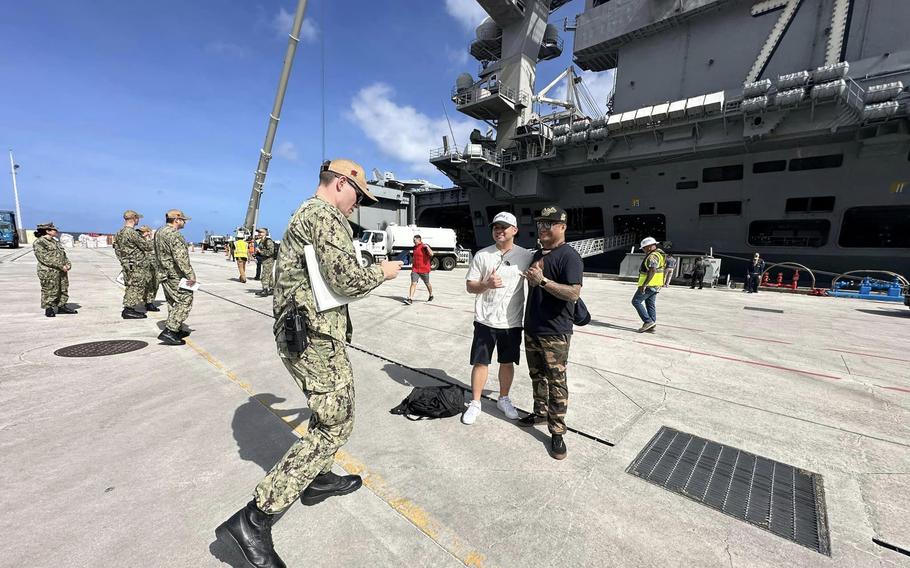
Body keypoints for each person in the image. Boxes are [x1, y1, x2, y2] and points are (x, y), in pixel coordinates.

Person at [216, 159, 403, 566]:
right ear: (340, 184)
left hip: (303, 333)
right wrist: (383, 272)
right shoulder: (326, 215)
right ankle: (254, 519)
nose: (359, 204)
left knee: (325, 415)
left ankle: (317, 480)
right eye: (358, 194)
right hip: (314, 338)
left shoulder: (304, 211)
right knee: (336, 423)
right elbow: (347, 280)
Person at [518, 206, 583, 461]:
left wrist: (543, 281)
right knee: (537, 376)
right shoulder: (536, 254)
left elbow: (573, 293)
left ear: (563, 227)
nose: (543, 228)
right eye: (540, 224)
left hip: (555, 331)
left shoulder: (570, 256)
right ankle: (540, 412)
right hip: (532, 326)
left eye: (550, 224)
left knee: (556, 381)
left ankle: (557, 431)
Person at [462, 212, 534, 425]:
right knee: (480, 362)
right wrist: (486, 284)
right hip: (485, 320)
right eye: (496, 227)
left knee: (507, 361)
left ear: (515, 230)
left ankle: (503, 398)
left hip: (511, 322)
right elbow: (469, 286)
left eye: (504, 227)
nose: (499, 231)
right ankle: (475, 402)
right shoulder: (482, 255)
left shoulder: (526, 256)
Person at [154, 209, 195, 345]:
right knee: (185, 300)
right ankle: (170, 331)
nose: (184, 222)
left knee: (173, 301)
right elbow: (181, 258)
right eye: (183, 220)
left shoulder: (160, 231)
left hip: (164, 273)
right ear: (176, 220)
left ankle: (176, 328)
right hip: (175, 274)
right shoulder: (174, 235)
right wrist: (190, 275)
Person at [112, 210, 152, 319]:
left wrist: (123, 260)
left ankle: (129, 308)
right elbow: (147, 247)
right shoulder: (132, 232)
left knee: (130, 286)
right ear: (134, 218)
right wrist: (151, 239)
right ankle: (128, 309)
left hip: (127, 264)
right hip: (135, 264)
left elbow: (116, 248)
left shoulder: (119, 232)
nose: (138, 220)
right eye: (138, 218)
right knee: (136, 286)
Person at [33, 222, 77, 317]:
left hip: (61, 271)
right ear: (47, 231)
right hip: (48, 271)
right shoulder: (39, 242)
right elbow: (44, 258)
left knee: (63, 288)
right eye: (54, 230)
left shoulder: (55, 242)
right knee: (49, 289)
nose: (56, 231)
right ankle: (48, 308)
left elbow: (62, 255)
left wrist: (68, 264)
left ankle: (61, 306)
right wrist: (61, 266)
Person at [631, 237, 666, 333]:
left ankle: (648, 321)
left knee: (636, 301)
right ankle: (652, 324)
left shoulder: (652, 256)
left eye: (644, 248)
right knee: (650, 304)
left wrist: (644, 284)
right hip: (656, 284)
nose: (643, 250)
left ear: (649, 247)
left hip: (650, 285)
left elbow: (653, 269)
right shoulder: (659, 255)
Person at [403, 234, 433, 305]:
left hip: (424, 269)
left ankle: (431, 295)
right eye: (413, 240)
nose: (413, 241)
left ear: (419, 240)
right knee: (413, 283)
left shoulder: (424, 247)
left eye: (414, 240)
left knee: (427, 283)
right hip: (415, 269)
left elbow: (431, 254)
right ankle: (410, 299)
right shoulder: (414, 247)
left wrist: (428, 247)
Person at [138, 225, 160, 310]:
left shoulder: (154, 242)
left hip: (154, 266)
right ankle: (147, 301)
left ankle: (149, 302)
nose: (142, 233)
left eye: (144, 231)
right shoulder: (139, 241)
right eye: (141, 232)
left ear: (148, 232)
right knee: (146, 285)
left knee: (154, 284)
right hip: (143, 266)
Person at [255, 228, 278, 297]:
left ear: (265, 233)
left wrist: (260, 251)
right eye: (259, 232)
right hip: (265, 260)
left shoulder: (268, 241)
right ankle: (272, 289)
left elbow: (271, 252)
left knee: (265, 275)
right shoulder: (262, 241)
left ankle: (265, 290)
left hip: (269, 260)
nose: (259, 233)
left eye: (261, 232)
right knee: (270, 275)